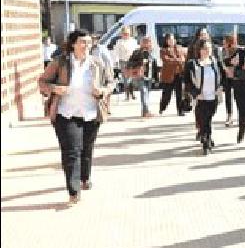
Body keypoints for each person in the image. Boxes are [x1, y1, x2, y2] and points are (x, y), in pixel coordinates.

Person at [38, 29, 114, 204]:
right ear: (73, 44)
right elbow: (42, 82)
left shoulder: (97, 63)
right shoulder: (60, 62)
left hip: (91, 114)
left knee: (86, 150)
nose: (86, 46)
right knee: (72, 151)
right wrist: (55, 89)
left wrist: (102, 91)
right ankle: (74, 191)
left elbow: (111, 82)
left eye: (88, 43)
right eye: (82, 42)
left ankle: (84, 178)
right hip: (66, 113)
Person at [185, 38, 223, 155]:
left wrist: (220, 89)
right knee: (203, 120)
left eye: (209, 48)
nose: (207, 51)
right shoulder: (193, 64)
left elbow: (221, 77)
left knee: (208, 120)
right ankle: (206, 142)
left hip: (213, 97)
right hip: (200, 98)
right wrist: (194, 92)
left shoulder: (214, 62)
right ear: (199, 50)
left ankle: (207, 137)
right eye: (205, 49)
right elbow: (187, 81)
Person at [127, 36, 158, 118]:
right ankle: (145, 112)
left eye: (148, 42)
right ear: (141, 43)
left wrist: (156, 77)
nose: (146, 43)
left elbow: (154, 64)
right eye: (144, 42)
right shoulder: (137, 52)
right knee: (144, 93)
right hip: (141, 76)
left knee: (146, 94)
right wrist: (140, 63)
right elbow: (130, 63)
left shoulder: (151, 52)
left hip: (150, 76)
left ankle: (145, 111)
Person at [159, 33, 187, 116]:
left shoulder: (179, 48)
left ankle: (180, 110)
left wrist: (180, 60)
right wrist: (178, 60)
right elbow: (167, 61)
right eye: (169, 40)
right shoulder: (163, 50)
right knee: (167, 94)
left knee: (180, 93)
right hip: (168, 75)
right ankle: (162, 107)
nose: (171, 41)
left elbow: (184, 58)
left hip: (179, 74)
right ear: (166, 41)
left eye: (172, 39)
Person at [114, 27, 139, 100]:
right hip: (123, 62)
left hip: (132, 62)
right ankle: (127, 95)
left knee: (132, 78)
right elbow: (116, 52)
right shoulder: (119, 42)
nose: (126, 35)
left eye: (127, 34)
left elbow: (136, 51)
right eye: (124, 34)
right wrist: (117, 62)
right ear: (122, 34)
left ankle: (133, 93)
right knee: (126, 79)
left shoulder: (133, 41)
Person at [221, 34, 239, 127]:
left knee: (237, 97)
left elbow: (235, 62)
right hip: (227, 76)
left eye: (225, 42)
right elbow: (223, 62)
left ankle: (241, 116)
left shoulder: (237, 51)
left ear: (230, 43)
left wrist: (229, 64)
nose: (223, 44)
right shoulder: (223, 51)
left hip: (236, 77)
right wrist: (226, 68)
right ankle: (229, 116)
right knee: (228, 97)